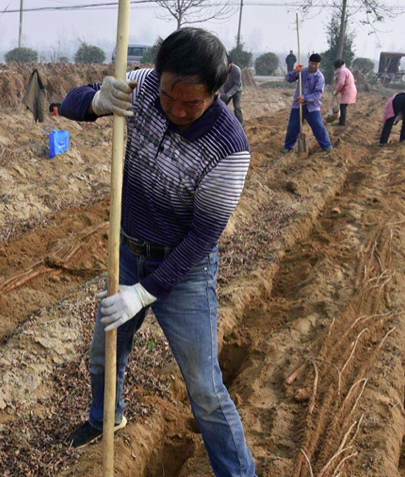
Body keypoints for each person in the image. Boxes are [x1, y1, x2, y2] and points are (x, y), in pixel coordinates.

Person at [59, 28, 257, 477]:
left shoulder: (230, 148)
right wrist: (97, 100)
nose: (177, 110)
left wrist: (143, 294)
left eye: (193, 102)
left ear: (216, 90)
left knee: (204, 389)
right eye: (170, 97)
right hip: (128, 252)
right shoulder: (146, 86)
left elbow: (202, 238)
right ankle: (105, 419)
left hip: (183, 271)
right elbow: (71, 104)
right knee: (104, 354)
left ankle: (239, 472)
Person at [281, 53, 332, 153]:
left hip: (312, 107)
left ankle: (326, 146)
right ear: (309, 62)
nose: (313, 66)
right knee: (292, 127)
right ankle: (288, 146)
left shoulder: (320, 77)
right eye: (312, 63)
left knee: (318, 126)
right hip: (297, 105)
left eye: (316, 64)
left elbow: (318, 94)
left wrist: (305, 98)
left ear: (319, 64)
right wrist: (295, 71)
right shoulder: (302, 71)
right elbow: (288, 79)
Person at [219, 53, 244, 126]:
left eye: (227, 65)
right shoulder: (222, 70)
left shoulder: (237, 70)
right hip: (226, 90)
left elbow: (237, 85)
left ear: (230, 64)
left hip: (236, 91)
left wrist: (229, 94)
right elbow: (222, 82)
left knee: (237, 107)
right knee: (221, 106)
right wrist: (222, 93)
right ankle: (221, 123)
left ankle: (240, 124)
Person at [333, 59, 357, 126]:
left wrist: (336, 91)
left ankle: (341, 123)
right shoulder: (345, 70)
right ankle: (341, 121)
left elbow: (341, 83)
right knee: (342, 106)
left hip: (348, 90)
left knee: (342, 106)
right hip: (349, 90)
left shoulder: (342, 71)